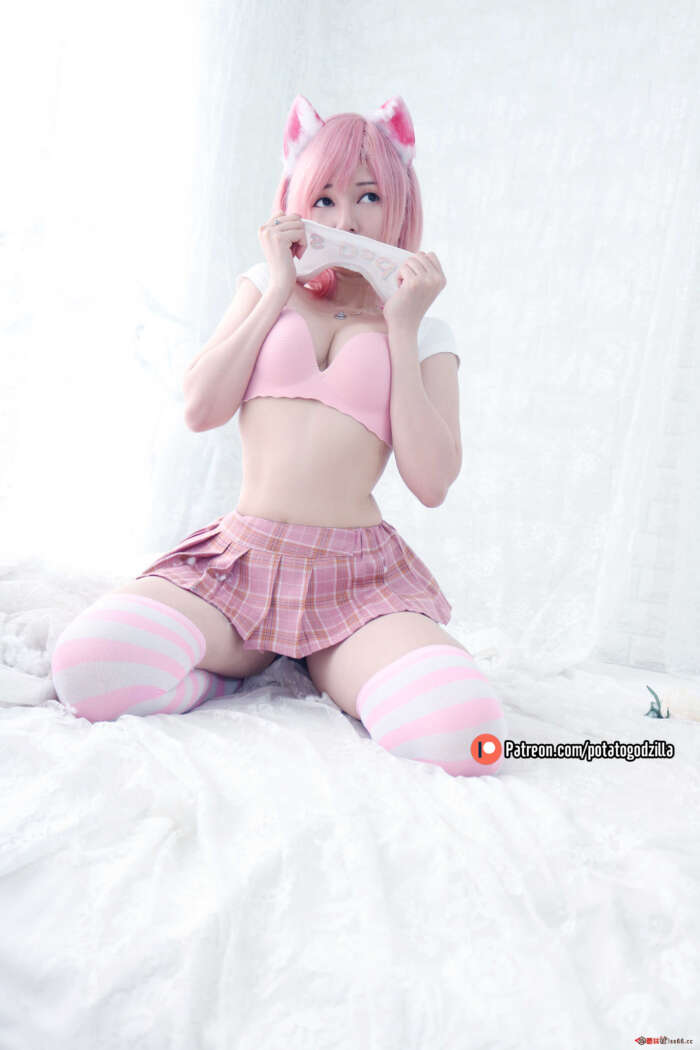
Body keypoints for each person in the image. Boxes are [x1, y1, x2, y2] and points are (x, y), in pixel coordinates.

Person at [51, 94, 507, 777]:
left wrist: (403, 327)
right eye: (323, 198)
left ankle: (327, 665)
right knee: (88, 668)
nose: (345, 220)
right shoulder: (265, 284)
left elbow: (432, 481)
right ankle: (229, 676)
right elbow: (201, 408)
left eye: (369, 196)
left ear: (401, 204)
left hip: (357, 583)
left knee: (468, 735)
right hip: (241, 563)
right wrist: (277, 289)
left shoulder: (424, 328)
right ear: (295, 200)